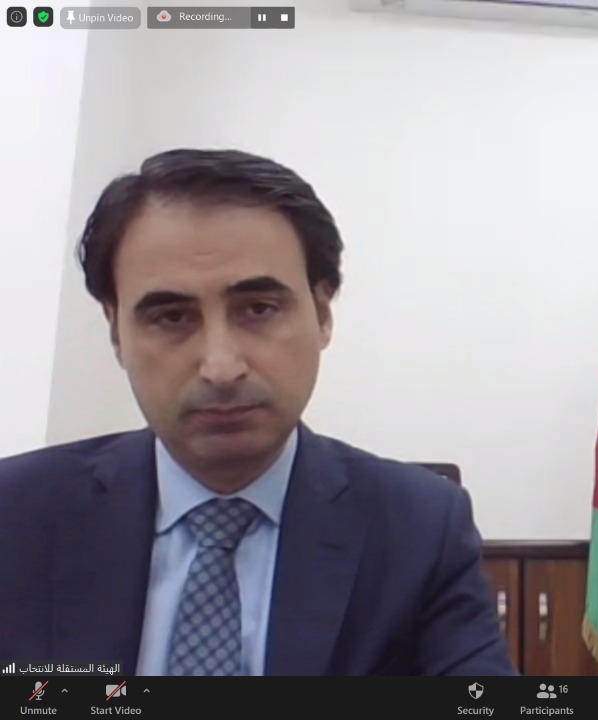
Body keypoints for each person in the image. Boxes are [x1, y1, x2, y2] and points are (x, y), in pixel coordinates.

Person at [0, 149, 516, 676]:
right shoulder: (16, 516)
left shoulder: (418, 528)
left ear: (321, 314)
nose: (221, 368)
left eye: (258, 309)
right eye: (172, 317)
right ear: (116, 332)